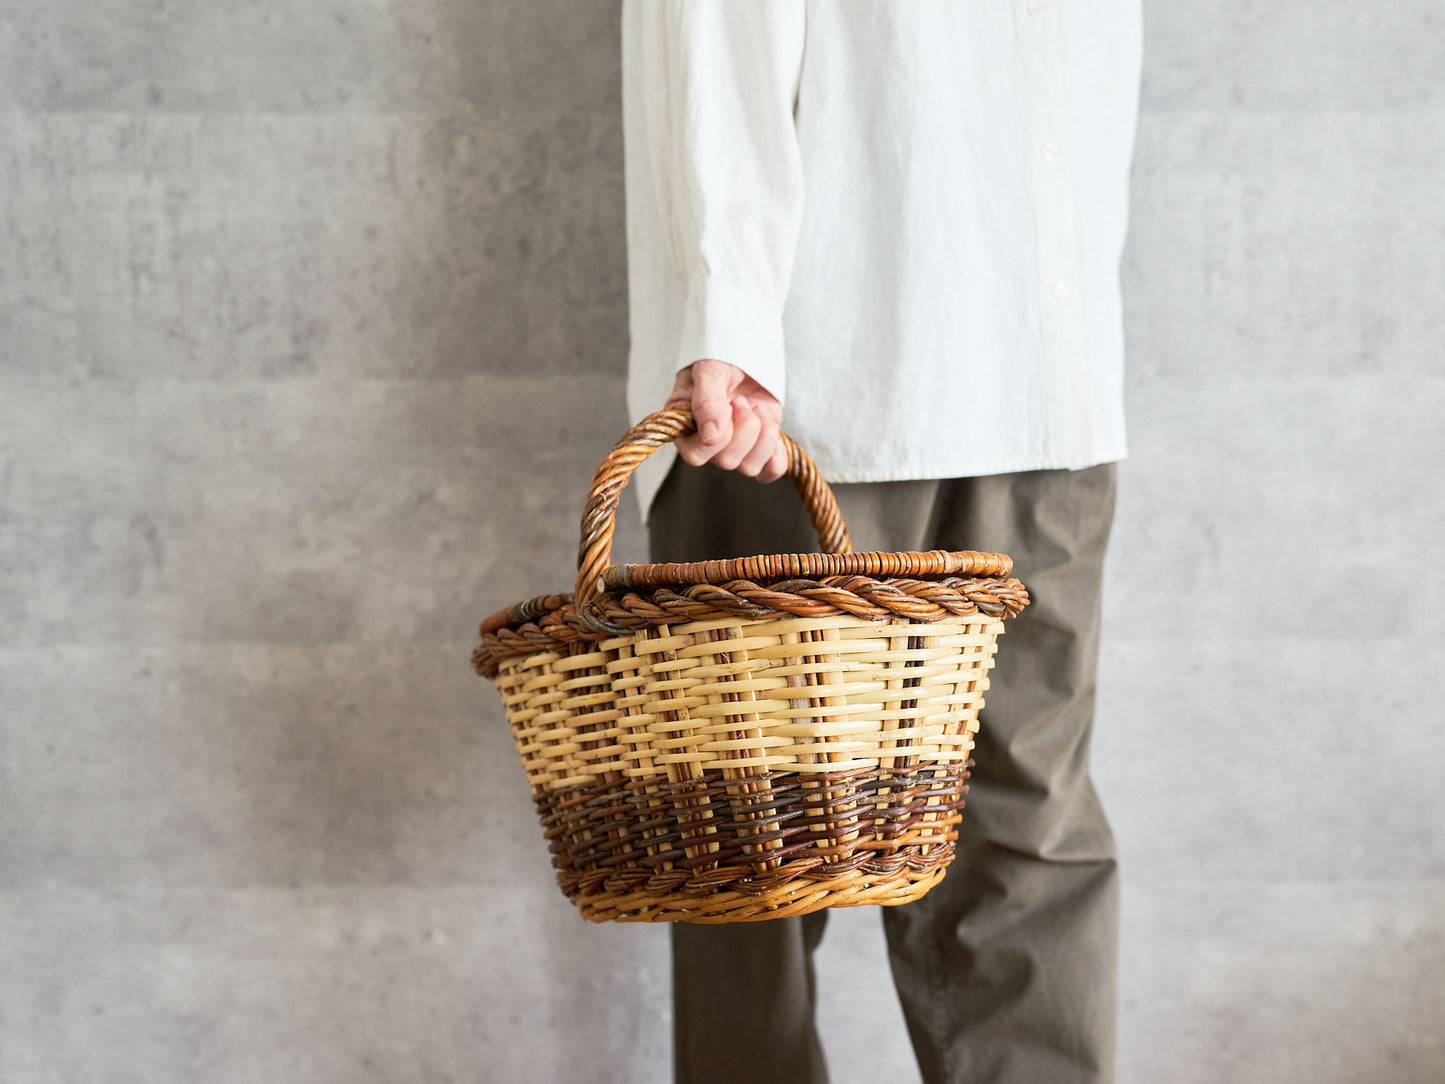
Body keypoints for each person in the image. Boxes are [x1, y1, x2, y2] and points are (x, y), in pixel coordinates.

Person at [619, 3, 1142, 1082]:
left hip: (1041, 376)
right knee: (755, 860)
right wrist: (725, 314)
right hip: (810, 385)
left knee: (1031, 834)